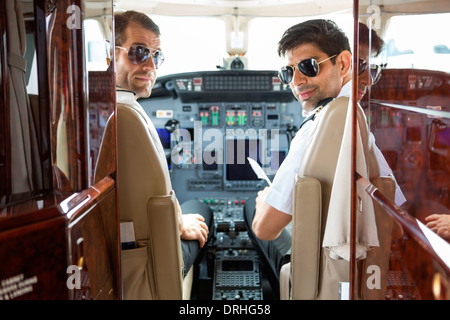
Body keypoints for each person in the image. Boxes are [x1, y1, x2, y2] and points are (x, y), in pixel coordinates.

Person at [113, 10, 213, 275]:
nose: (151, 66)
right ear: (109, 53)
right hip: (154, 256)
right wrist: (180, 224)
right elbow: (157, 196)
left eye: (156, 56)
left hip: (121, 245)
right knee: (202, 210)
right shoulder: (131, 115)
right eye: (138, 52)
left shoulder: (95, 110)